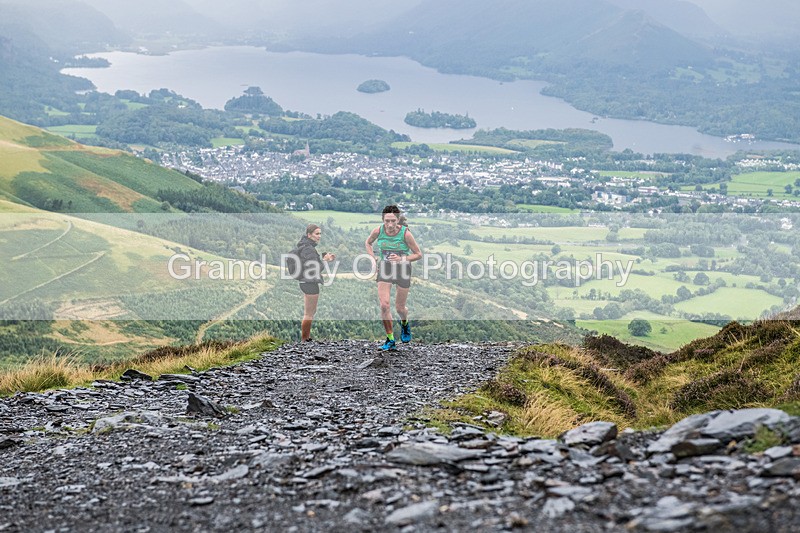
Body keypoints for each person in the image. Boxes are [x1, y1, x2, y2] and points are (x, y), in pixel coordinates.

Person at [365, 205, 422, 350]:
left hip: (403, 268)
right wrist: (372, 258)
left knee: (400, 307)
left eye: (393, 221)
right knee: (384, 305)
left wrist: (402, 258)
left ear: (398, 220)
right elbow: (368, 242)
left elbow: (418, 254)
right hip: (385, 268)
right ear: (383, 220)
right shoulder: (378, 230)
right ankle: (390, 339)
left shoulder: (405, 234)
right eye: (387, 221)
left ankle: (404, 323)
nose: (390, 225)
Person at [296, 224, 335, 342]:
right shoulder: (308, 248)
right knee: (309, 313)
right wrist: (325, 260)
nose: (319, 236)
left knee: (310, 312)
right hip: (310, 283)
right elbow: (315, 268)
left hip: (306, 281)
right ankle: (304, 340)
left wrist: (323, 258)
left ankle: (306, 338)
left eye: (320, 234)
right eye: (317, 234)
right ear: (309, 235)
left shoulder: (305, 246)